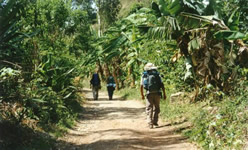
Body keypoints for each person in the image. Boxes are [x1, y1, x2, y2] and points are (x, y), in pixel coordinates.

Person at [140, 63, 166, 129]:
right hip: (157, 93)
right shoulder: (157, 74)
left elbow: (141, 85)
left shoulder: (144, 75)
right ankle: (155, 121)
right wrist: (164, 93)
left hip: (149, 93)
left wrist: (142, 94)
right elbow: (162, 84)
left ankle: (150, 124)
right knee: (157, 108)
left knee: (149, 108)